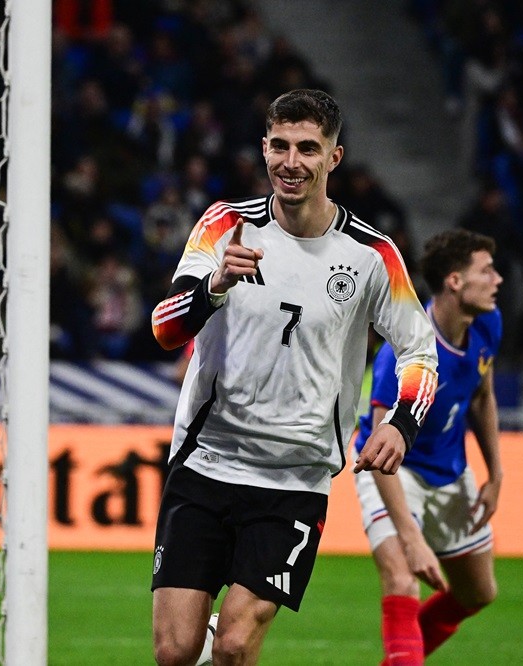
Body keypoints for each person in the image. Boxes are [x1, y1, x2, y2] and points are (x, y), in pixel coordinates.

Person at [149, 89, 438, 666]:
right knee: (176, 652)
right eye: (279, 146)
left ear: (334, 157)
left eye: (308, 148)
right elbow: (163, 328)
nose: (291, 161)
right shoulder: (226, 224)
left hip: (295, 478)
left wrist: (403, 424)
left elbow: (419, 351)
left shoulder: (371, 255)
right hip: (205, 462)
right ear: (264, 149)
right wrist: (213, 289)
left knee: (233, 645)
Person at [354, 229, 503, 666]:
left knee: (479, 591)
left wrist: (496, 474)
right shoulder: (403, 353)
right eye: (487, 271)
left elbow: (482, 394)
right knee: (402, 581)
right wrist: (411, 536)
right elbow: (382, 454)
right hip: (393, 472)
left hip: (451, 472)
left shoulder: (487, 321)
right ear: (455, 281)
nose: (498, 280)